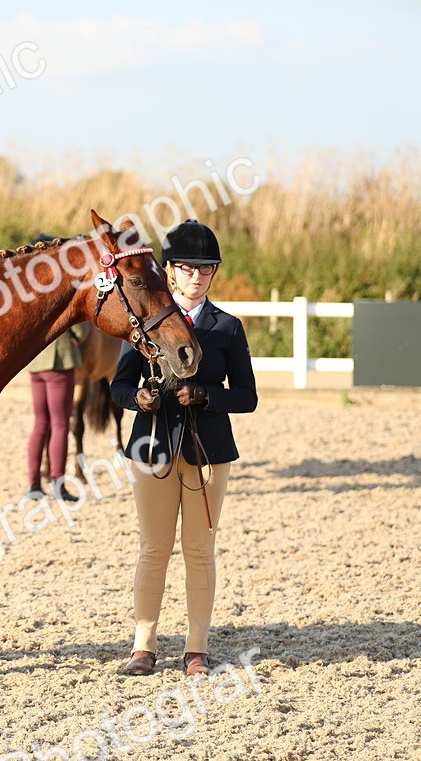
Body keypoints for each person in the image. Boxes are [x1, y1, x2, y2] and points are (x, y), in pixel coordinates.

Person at [110, 219, 257, 677]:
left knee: (199, 549)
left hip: (207, 451)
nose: (196, 277)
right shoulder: (146, 320)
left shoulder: (227, 327)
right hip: (151, 448)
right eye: (188, 268)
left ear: (214, 274)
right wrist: (138, 398)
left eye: (205, 269)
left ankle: (197, 648)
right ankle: (143, 645)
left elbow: (247, 396)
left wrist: (208, 396)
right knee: (152, 548)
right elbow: (117, 386)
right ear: (170, 271)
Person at [25, 233, 89, 503]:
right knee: (62, 423)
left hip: (36, 363)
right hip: (60, 361)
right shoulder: (61, 282)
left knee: (40, 423)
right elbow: (79, 326)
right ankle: (58, 483)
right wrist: (77, 337)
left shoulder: (28, 286)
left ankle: (32, 485)